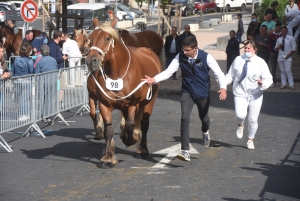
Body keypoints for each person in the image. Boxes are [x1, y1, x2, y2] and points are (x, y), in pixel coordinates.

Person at [141, 36, 227, 161]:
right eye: (183, 49)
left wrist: (223, 88)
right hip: (187, 92)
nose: (184, 52)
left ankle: (205, 131)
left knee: (204, 118)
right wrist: (154, 79)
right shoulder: (180, 56)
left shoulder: (206, 57)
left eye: (187, 50)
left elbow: (219, 73)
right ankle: (185, 150)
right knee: (184, 118)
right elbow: (168, 72)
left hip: (203, 93)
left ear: (195, 48)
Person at [225, 40, 273, 150]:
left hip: (255, 93)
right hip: (240, 92)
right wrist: (223, 83)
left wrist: (262, 83)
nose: (247, 50)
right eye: (245, 48)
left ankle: (250, 139)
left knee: (253, 119)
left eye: (249, 48)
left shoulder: (260, 62)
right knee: (240, 115)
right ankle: (240, 124)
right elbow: (230, 76)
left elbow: (269, 79)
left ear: (255, 50)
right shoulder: (238, 60)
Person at [34, 44, 58, 123]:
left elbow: (36, 72)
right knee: (50, 98)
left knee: (43, 98)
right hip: (53, 80)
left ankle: (44, 115)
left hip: (43, 81)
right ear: (48, 51)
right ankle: (49, 115)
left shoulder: (40, 61)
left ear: (41, 52)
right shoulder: (53, 60)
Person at [11, 43, 34, 121]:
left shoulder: (16, 60)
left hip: (17, 81)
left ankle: (22, 114)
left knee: (21, 98)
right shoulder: (29, 61)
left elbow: (13, 70)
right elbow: (31, 71)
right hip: (27, 80)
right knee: (25, 98)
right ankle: (24, 114)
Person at [269, 23, 282, 87]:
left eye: (279, 27)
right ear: (275, 27)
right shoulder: (272, 35)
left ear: (280, 28)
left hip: (281, 54)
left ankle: (283, 82)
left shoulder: (282, 35)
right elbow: (270, 44)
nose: (278, 28)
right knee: (273, 69)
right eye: (277, 27)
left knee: (282, 69)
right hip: (273, 54)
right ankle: (273, 82)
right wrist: (270, 52)